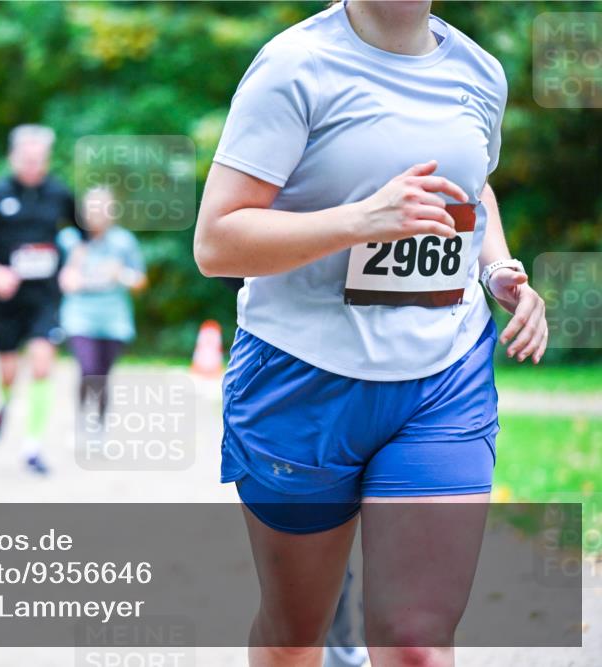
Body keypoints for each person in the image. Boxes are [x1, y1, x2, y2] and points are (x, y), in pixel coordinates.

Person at [193, 1, 547, 666]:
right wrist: (360, 220)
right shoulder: (294, 67)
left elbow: (474, 182)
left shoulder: (480, 71)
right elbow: (217, 242)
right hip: (300, 380)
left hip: (442, 379)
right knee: (297, 633)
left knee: (415, 643)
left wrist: (496, 265)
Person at [0, 124, 77, 475]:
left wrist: (73, 266)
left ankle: (32, 447)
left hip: (44, 296)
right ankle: (4, 401)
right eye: (26, 158)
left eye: (38, 159)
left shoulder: (59, 193)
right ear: (13, 157)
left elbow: (84, 234)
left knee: (42, 365)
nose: (32, 165)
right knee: (9, 371)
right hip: (5, 297)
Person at [57, 186, 146, 425]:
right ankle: (82, 417)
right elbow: (58, 277)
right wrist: (71, 273)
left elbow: (140, 281)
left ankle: (99, 424)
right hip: (79, 314)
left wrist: (121, 274)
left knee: (103, 375)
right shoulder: (69, 240)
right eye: (92, 209)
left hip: (114, 318)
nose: (97, 214)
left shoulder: (124, 242)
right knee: (88, 368)